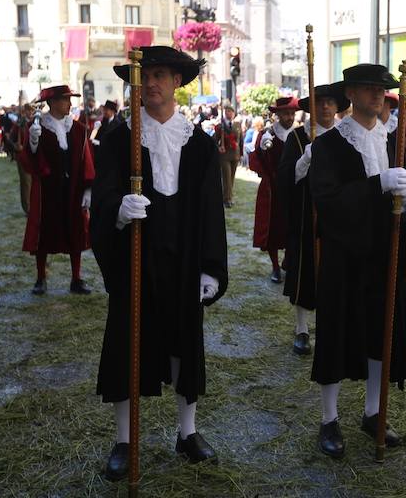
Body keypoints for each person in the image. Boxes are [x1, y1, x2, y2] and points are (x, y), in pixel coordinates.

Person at [91, 45, 228, 480]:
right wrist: (117, 208)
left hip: (186, 255)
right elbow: (103, 198)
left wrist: (211, 266)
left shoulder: (201, 145)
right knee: (127, 341)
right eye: (145, 75)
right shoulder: (118, 139)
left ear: (177, 83)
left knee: (184, 342)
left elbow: (210, 209)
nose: (151, 83)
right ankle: (124, 439)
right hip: (136, 253)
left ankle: (187, 433)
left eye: (162, 75)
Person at [309, 63, 406, 458]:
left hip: (384, 256)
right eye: (368, 89)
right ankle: (329, 418)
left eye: (382, 89)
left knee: (381, 334)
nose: (378, 96)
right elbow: (326, 201)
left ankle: (373, 411)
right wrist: (376, 187)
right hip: (345, 257)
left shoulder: (395, 143)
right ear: (351, 94)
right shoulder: (328, 145)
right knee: (337, 336)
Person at [278, 83, 348, 355]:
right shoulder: (297, 138)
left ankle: (330, 328)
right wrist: (306, 159)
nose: (326, 107)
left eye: (331, 103)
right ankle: (302, 329)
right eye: (321, 103)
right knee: (305, 270)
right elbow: (286, 179)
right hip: (306, 215)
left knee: (334, 272)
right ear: (312, 108)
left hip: (336, 217)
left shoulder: (344, 138)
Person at [19, 86, 94, 294]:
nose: (70, 104)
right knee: (44, 233)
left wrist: (88, 189)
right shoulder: (38, 127)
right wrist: (33, 142)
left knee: (75, 231)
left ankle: (76, 279)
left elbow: (86, 159)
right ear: (53, 103)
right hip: (47, 191)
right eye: (65, 100)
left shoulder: (78, 129)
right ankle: (41, 278)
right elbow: (29, 160)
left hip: (73, 190)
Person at [250, 97, 298, 283]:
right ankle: (275, 267)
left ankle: (288, 260)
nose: (290, 117)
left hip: (293, 188)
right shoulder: (267, 135)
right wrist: (262, 150)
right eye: (286, 113)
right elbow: (257, 162)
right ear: (277, 115)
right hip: (273, 189)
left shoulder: (298, 134)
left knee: (292, 226)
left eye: (292, 113)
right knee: (272, 228)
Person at [215, 102, 242, 207]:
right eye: (227, 111)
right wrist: (218, 148)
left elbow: (241, 140)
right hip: (224, 155)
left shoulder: (238, 125)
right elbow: (214, 140)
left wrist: (241, 154)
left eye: (231, 111)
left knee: (231, 177)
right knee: (226, 177)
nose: (229, 113)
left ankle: (227, 196)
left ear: (234, 114)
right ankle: (227, 199)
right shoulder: (220, 126)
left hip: (235, 154)